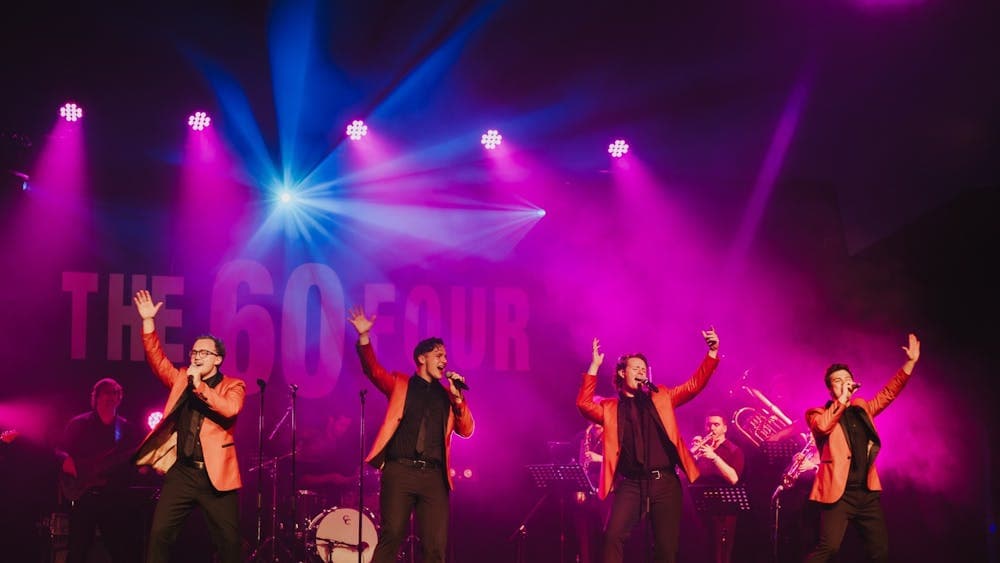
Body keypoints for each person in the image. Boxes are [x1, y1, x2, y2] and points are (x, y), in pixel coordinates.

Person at [576, 329, 720, 563]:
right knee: (612, 536)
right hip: (631, 484)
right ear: (622, 373)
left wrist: (711, 353)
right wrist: (594, 366)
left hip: (665, 483)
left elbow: (693, 386)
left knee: (665, 549)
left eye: (644, 369)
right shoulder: (611, 408)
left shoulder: (660, 396)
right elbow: (583, 404)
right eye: (635, 368)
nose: (641, 372)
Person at [347, 305, 475, 563]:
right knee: (392, 534)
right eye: (438, 355)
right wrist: (364, 338)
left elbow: (467, 430)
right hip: (400, 471)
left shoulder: (448, 396)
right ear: (421, 358)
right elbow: (373, 371)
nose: (445, 360)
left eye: (446, 356)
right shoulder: (400, 384)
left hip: (434, 477)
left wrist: (458, 398)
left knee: (436, 547)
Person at [130, 289, 246, 563]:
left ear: (218, 359)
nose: (196, 356)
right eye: (194, 352)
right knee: (159, 535)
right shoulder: (182, 377)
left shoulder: (234, 385)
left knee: (229, 544)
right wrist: (148, 323)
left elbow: (231, 409)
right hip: (182, 472)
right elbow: (157, 361)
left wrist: (199, 386)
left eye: (204, 353)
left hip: (215, 476)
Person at [803, 333, 920, 563]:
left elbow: (888, 394)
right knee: (829, 549)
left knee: (880, 552)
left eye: (847, 378)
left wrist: (909, 363)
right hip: (839, 495)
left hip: (866, 494)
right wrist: (843, 400)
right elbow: (824, 427)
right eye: (837, 380)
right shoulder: (816, 413)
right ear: (830, 389)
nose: (844, 381)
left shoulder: (862, 409)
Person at [56, 377, 146, 563]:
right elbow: (59, 449)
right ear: (96, 397)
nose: (110, 397)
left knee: (122, 551)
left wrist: (143, 468)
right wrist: (66, 460)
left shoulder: (126, 428)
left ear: (119, 398)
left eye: (114, 393)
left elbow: (134, 462)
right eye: (106, 393)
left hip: (113, 497)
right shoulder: (79, 424)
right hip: (85, 495)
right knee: (78, 550)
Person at [690, 410, 745, 563]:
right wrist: (691, 457)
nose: (712, 428)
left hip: (724, 511)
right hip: (701, 507)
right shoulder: (702, 448)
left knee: (721, 554)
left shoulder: (734, 450)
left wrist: (714, 457)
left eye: (716, 425)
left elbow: (734, 478)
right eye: (709, 425)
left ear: (725, 428)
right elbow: (684, 475)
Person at [570, 421, 608, 563]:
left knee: (605, 537)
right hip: (585, 491)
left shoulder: (614, 436)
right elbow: (573, 459)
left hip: (606, 492)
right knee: (583, 537)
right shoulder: (582, 436)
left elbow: (623, 462)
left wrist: (600, 458)